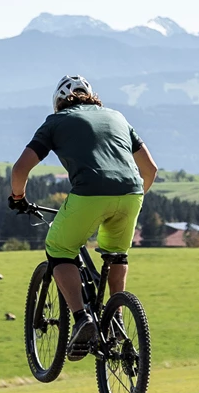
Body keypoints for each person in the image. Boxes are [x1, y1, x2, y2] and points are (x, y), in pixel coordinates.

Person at [9, 75, 158, 358]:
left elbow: (20, 170)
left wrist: (18, 198)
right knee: (116, 254)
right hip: (132, 193)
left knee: (59, 248)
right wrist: (130, 199)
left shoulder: (56, 121)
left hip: (89, 193)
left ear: (58, 102)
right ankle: (115, 316)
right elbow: (150, 170)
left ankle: (81, 319)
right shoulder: (117, 117)